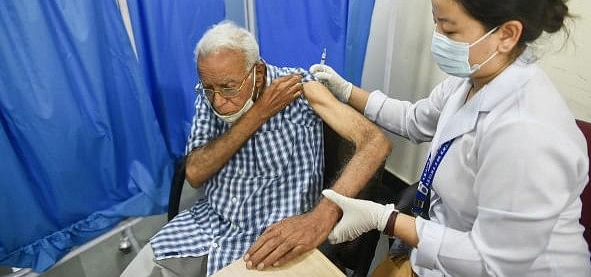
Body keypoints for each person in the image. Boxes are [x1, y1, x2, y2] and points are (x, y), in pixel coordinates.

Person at [310, 0, 591, 277]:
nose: (437, 37)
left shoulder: (526, 133)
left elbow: (492, 262)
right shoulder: (473, 78)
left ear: (507, 34)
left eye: (450, 28)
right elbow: (414, 120)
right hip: (445, 253)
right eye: (436, 22)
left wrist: (384, 219)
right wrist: (345, 90)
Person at [120, 21, 391, 276]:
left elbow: (375, 143)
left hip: (268, 243)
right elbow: (194, 172)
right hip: (206, 227)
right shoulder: (210, 94)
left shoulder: (300, 90)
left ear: (258, 73)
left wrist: (321, 216)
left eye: (229, 88)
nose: (219, 102)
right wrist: (258, 114)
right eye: (209, 89)